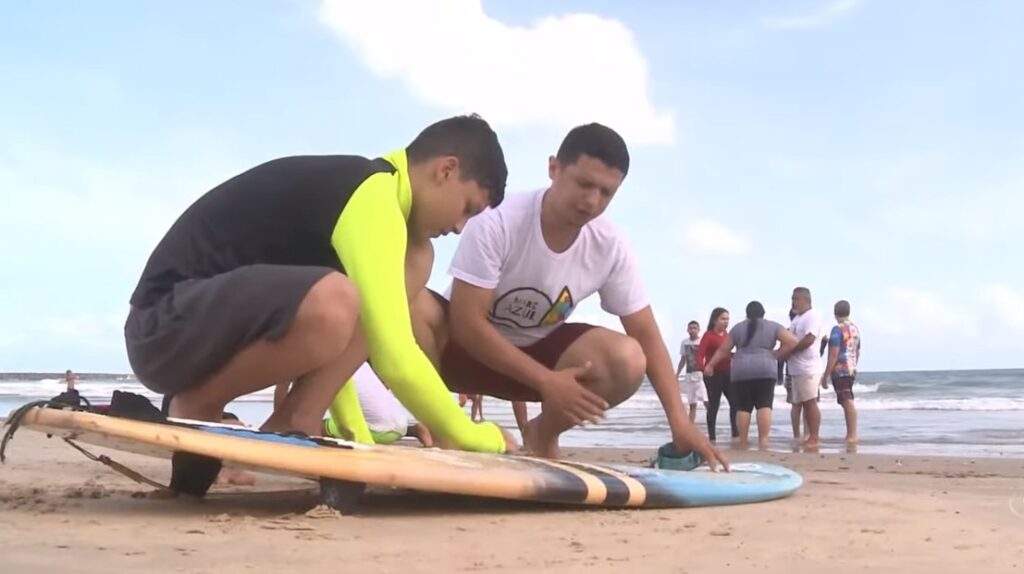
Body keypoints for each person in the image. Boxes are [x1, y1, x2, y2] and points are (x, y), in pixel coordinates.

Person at [124, 114, 517, 487]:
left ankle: (296, 417)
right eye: (468, 208)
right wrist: (475, 436)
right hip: (163, 325)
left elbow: (342, 345)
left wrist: (355, 436)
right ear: (445, 170)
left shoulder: (385, 216)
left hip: (206, 329)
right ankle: (198, 405)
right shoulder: (372, 194)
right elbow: (394, 357)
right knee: (337, 300)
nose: (459, 227)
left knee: (405, 266)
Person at [410, 123, 727, 469]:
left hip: (541, 362)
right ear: (554, 168)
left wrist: (680, 424)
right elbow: (467, 323)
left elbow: (646, 334)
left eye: (606, 193)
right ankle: (441, 425)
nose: (592, 201)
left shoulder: (609, 245)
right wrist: (545, 381)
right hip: (459, 356)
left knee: (629, 358)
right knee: (409, 303)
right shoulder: (499, 220)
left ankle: (542, 434)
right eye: (584, 184)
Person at [705, 302, 797, 449]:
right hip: (765, 368)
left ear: (747, 314)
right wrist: (777, 354)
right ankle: (763, 441)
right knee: (764, 405)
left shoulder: (737, 328)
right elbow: (792, 342)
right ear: (763, 313)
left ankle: (743, 440)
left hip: (741, 370)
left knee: (743, 407)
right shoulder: (773, 326)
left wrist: (710, 365)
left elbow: (723, 350)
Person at [777, 287, 824, 448]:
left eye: (795, 299)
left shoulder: (813, 316)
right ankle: (807, 436)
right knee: (801, 403)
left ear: (805, 299)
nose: (793, 302)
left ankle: (814, 437)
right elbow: (789, 338)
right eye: (792, 299)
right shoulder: (797, 318)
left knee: (810, 402)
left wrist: (791, 351)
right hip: (795, 369)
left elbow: (809, 339)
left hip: (808, 367)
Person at [821, 300, 862, 444]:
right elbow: (857, 351)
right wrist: (854, 365)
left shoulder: (837, 329)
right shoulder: (855, 329)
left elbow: (833, 353)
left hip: (840, 369)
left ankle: (852, 435)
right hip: (851, 368)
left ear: (835, 313)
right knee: (846, 400)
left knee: (846, 400)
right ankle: (850, 434)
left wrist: (825, 375)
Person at [697, 307, 738, 443]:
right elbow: (699, 355)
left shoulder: (727, 336)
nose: (726, 321)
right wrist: (704, 369)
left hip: (727, 373)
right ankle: (712, 438)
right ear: (715, 320)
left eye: (727, 319)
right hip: (713, 376)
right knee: (714, 405)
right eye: (723, 318)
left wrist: (735, 356)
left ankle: (735, 433)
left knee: (735, 403)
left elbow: (727, 353)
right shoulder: (708, 335)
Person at [675, 320, 707, 422]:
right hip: (689, 375)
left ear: (698, 330)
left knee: (706, 401)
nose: (693, 330)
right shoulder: (685, 342)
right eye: (691, 328)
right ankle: (691, 426)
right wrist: (677, 373)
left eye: (695, 328)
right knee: (692, 404)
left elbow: (707, 357)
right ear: (687, 330)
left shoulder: (702, 342)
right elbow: (683, 359)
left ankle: (711, 423)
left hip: (701, 375)